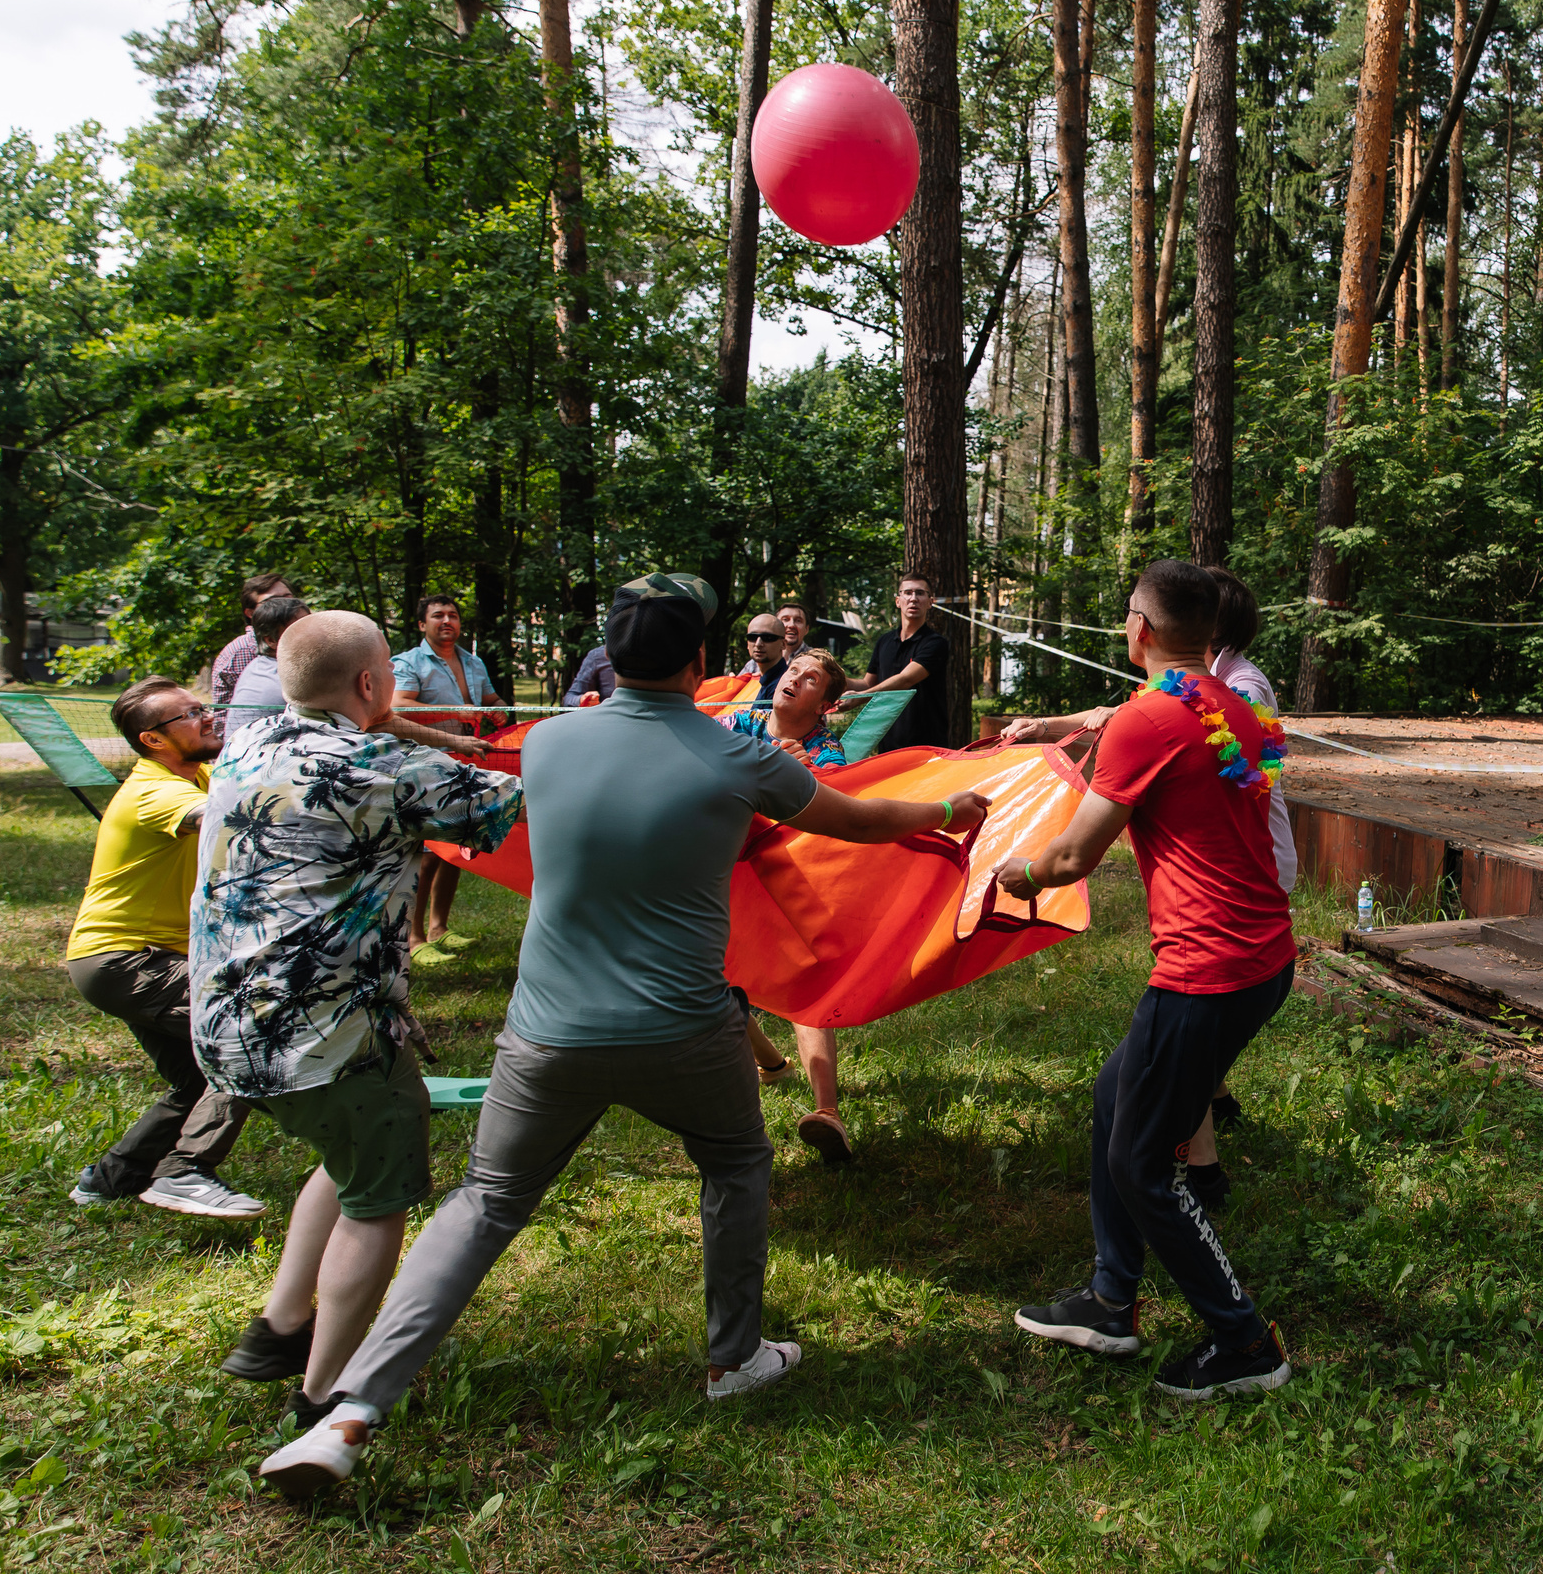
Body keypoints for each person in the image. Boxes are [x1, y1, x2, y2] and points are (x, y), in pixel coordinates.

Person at [256, 574, 991, 1498]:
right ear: (700, 664)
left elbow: (486, 775)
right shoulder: (736, 757)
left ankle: (350, 1414)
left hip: (547, 1032)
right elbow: (855, 821)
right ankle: (734, 1358)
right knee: (735, 1165)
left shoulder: (555, 738)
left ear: (611, 656)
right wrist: (947, 809)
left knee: (484, 1204)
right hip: (686, 1029)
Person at [190, 611, 525, 1431]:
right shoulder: (388, 770)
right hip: (327, 1035)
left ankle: (278, 1327)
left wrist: (429, 733)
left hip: (229, 1025)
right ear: (373, 684)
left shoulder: (250, 738)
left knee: (346, 1160)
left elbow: (365, 727)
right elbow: (515, 802)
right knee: (379, 1197)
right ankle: (324, 1390)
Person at [995, 560, 1295, 1401]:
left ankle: (1244, 1343)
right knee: (1111, 1101)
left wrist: (1015, 872)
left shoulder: (1147, 717)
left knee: (1141, 1161)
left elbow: (1072, 855)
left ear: (1139, 629)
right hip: (1260, 954)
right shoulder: (1240, 708)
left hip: (1208, 967)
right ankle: (1108, 1298)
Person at [63, 678, 263, 1220]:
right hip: (126, 960)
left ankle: (111, 1178)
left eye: (203, 707)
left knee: (196, 1077)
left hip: (132, 958)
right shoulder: (156, 790)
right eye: (192, 713)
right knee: (250, 1031)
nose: (208, 717)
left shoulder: (193, 771)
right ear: (154, 739)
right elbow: (228, 823)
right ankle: (185, 1172)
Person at [722, 647, 855, 1160]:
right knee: (718, 979)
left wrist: (807, 779)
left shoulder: (826, 751)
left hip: (789, 883)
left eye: (811, 678)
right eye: (794, 670)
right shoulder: (737, 721)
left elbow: (843, 809)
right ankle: (772, 1065)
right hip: (727, 873)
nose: (795, 678)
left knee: (806, 986)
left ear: (825, 704)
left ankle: (828, 1112)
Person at [390, 596, 507, 948]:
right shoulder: (408, 662)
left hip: (464, 761)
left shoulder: (472, 662)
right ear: (422, 624)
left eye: (453, 615)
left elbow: (490, 699)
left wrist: (501, 710)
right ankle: (413, 937)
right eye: (437, 615)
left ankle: (440, 928)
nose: (446, 621)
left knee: (457, 848)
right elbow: (397, 707)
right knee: (427, 855)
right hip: (424, 762)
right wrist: (457, 710)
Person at [848, 573, 951, 751]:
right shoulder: (884, 642)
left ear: (930, 601)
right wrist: (832, 678)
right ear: (898, 600)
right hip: (887, 743)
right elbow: (866, 683)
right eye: (908, 593)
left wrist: (859, 699)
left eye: (920, 593)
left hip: (927, 747)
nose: (913, 599)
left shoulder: (936, 643)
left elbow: (906, 680)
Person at [226, 596, 309, 736]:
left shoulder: (257, 665)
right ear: (271, 640)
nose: (314, 634)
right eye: (300, 630)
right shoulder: (287, 676)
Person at [209, 572, 294, 707]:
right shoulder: (244, 649)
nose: (286, 605)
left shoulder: (296, 639)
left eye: (288, 597)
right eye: (274, 601)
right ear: (250, 613)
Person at [741, 613, 792, 703]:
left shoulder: (786, 686)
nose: (758, 644)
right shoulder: (751, 682)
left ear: (783, 644)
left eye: (767, 638)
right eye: (752, 637)